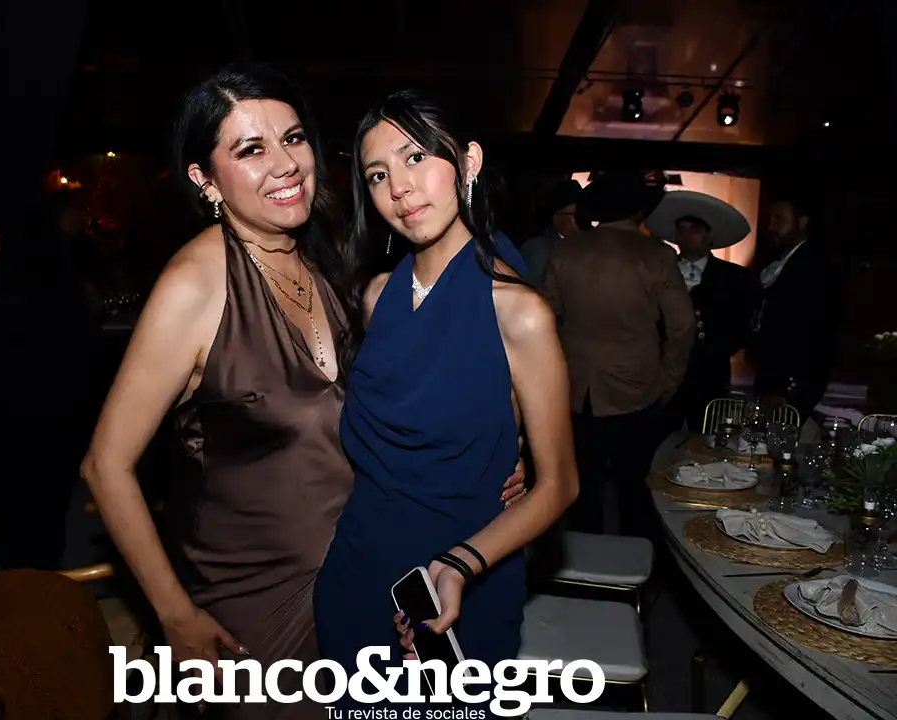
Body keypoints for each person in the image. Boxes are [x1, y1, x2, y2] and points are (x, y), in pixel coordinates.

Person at [79, 64, 525, 720]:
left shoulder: (325, 265)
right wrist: (174, 614)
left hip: (359, 578)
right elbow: (106, 465)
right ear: (205, 180)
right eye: (250, 150)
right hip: (250, 606)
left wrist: (504, 449)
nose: (285, 164)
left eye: (292, 139)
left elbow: (408, 397)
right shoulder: (195, 285)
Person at [314, 90, 578, 708]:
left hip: (465, 579)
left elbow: (560, 484)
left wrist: (461, 563)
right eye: (377, 175)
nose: (399, 188)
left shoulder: (520, 312)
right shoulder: (376, 297)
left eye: (415, 157)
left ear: (468, 162)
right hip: (356, 573)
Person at [542, 170, 694, 537]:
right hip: (638, 390)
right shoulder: (657, 255)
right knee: (636, 493)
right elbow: (683, 326)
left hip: (577, 389)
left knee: (582, 492)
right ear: (639, 210)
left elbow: (543, 317)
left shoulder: (567, 250)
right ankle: (636, 564)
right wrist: (668, 382)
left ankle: (584, 562)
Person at [0, 213, 93, 571]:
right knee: (39, 519)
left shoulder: (15, 277)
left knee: (18, 523)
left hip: (24, 417)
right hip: (49, 414)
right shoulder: (44, 268)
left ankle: (24, 591)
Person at [645, 190, 758, 433]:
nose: (686, 236)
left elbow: (742, 327)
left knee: (707, 438)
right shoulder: (658, 270)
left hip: (710, 376)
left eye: (694, 230)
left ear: (709, 236)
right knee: (658, 437)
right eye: (681, 229)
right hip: (662, 374)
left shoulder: (735, 277)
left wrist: (711, 349)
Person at [748, 195, 835, 422]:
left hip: (791, 378)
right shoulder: (779, 261)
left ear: (802, 222)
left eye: (779, 219)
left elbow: (808, 329)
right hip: (772, 372)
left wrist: (781, 383)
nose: (771, 227)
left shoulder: (813, 265)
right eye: (770, 220)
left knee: (780, 434)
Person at [519, 178, 582, 286]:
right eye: (576, 216)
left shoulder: (587, 243)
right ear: (556, 217)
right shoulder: (537, 248)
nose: (582, 222)